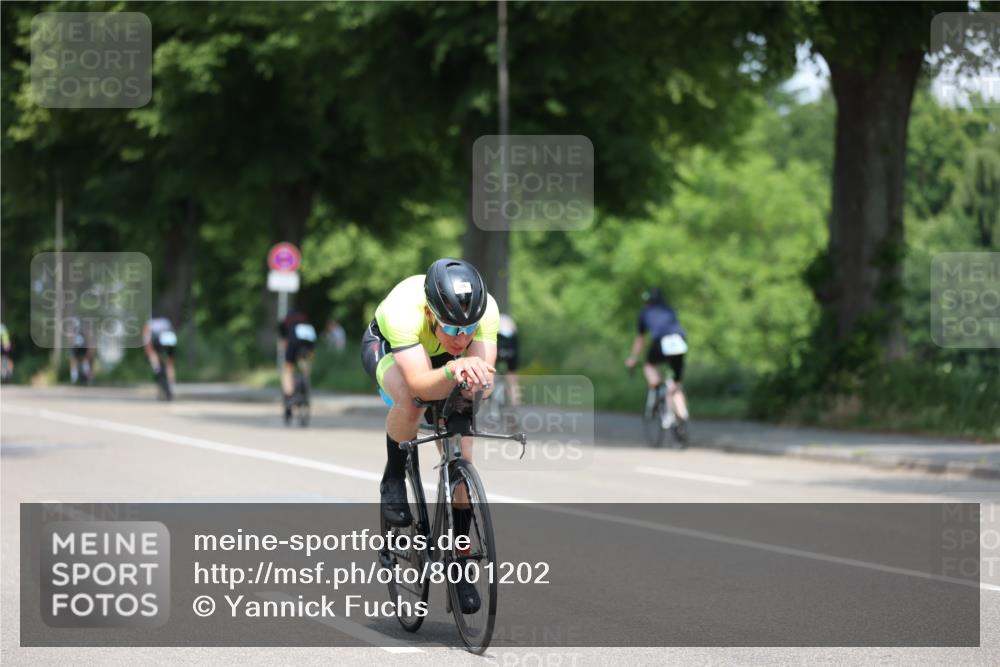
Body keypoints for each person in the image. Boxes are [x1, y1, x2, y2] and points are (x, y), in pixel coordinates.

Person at [361, 258, 498, 613]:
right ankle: (393, 475)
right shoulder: (403, 312)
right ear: (429, 312)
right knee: (413, 400)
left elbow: (486, 380)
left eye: (469, 329)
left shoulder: (487, 312)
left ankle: (461, 566)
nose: (462, 338)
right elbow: (421, 383)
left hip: (447, 365)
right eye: (452, 329)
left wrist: (474, 383)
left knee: (462, 452)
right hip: (393, 352)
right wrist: (454, 368)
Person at [625, 288, 689, 429]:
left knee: (649, 365)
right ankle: (681, 412)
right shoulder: (669, 309)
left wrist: (633, 358)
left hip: (661, 342)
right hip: (680, 341)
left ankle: (657, 386)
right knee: (676, 383)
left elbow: (640, 339)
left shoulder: (645, 313)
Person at [278, 310, 317, 421]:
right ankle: (305, 379)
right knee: (305, 361)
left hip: (294, 342)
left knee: (287, 369)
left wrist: (288, 355)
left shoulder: (285, 322)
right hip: (310, 342)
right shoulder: (306, 322)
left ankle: (289, 396)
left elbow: (284, 342)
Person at [143, 317, 177, 395]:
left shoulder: (149, 323)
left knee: (152, 354)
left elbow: (146, 339)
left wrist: (147, 350)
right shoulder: (166, 321)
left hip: (158, 340)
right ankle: (171, 386)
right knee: (170, 364)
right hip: (171, 339)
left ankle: (157, 369)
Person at [496, 313, 521, 405]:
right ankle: (515, 406)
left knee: (489, 373)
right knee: (513, 381)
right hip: (512, 349)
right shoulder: (508, 321)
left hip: (498, 348)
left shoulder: (494, 319)